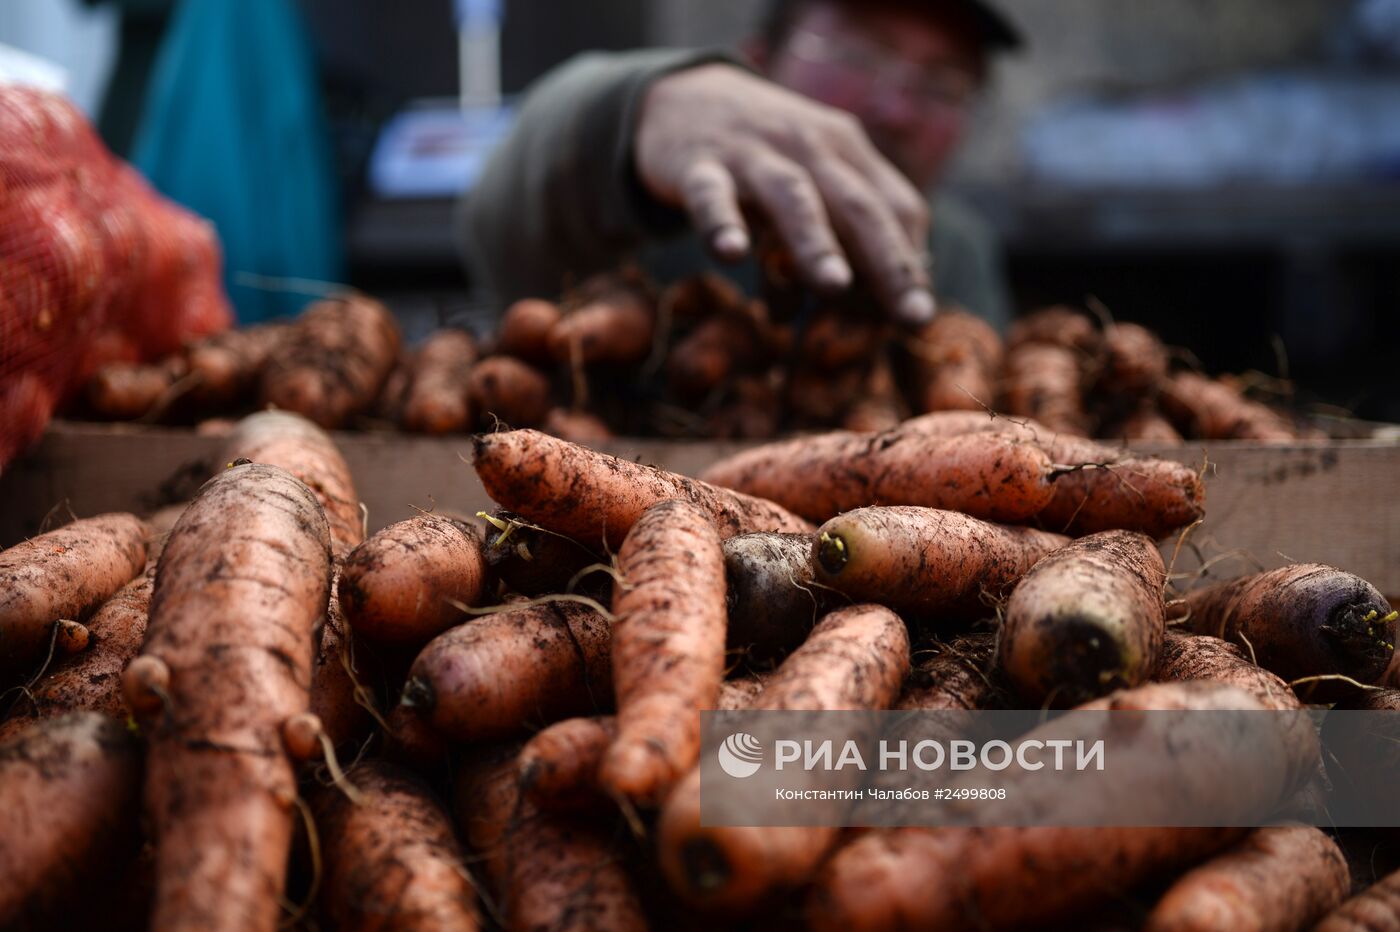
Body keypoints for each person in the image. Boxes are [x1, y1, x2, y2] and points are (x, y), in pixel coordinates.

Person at [458, 0, 1020, 329]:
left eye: (944, 84)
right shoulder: (657, 206)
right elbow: (497, 215)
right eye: (858, 55)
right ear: (756, 65)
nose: (897, 108)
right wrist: (639, 109)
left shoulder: (958, 252)